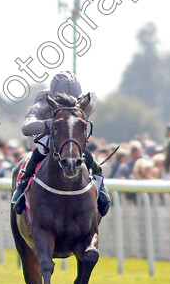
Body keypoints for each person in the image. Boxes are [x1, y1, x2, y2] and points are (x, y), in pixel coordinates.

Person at [11, 71, 111, 216]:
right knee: (45, 147)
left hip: (69, 136)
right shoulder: (43, 101)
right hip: (44, 135)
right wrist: (51, 123)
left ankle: (101, 187)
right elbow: (26, 128)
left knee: (79, 151)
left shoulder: (87, 101)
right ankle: (22, 184)